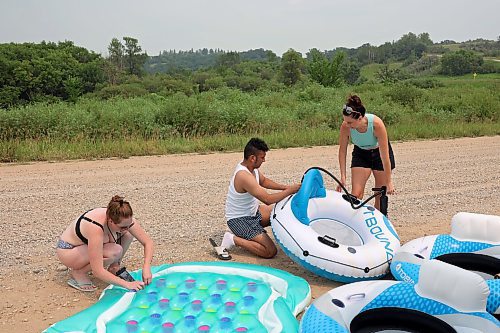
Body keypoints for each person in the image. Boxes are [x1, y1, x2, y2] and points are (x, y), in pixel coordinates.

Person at [221, 138, 301, 259]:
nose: (264, 160)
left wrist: (286, 187)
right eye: (262, 157)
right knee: (270, 251)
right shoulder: (243, 175)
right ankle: (232, 239)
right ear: (253, 158)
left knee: (280, 212)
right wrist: (290, 191)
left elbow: (264, 181)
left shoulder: (252, 169)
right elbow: (267, 199)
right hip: (239, 221)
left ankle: (255, 234)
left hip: (253, 213)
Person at [56, 195, 154, 292]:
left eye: (129, 224)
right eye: (123, 227)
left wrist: (146, 267)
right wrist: (128, 285)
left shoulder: (123, 217)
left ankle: (114, 267)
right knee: (114, 251)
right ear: (111, 221)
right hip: (69, 251)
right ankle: (79, 273)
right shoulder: (95, 226)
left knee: (128, 234)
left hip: (85, 247)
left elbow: (148, 242)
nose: (126, 228)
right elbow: (97, 271)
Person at [336, 94, 396, 211]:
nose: (346, 125)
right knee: (356, 195)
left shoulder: (376, 125)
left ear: (360, 118)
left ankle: (381, 218)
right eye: (345, 121)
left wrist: (389, 181)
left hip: (379, 154)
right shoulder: (345, 127)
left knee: (379, 195)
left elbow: (385, 155)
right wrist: (343, 177)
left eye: (350, 122)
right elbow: (342, 151)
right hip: (361, 154)